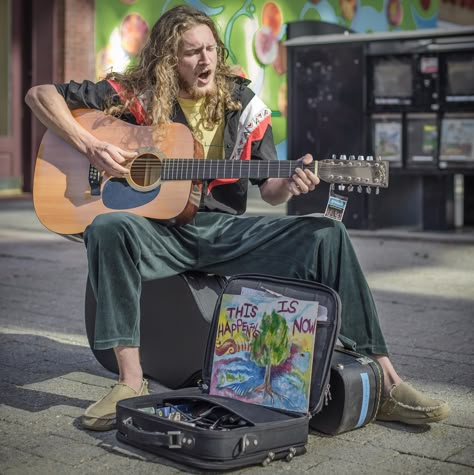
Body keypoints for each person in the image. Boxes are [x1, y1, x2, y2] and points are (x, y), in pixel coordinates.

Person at [25, 5, 449, 431]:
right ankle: (130, 381)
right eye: (192, 52)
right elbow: (39, 95)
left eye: (210, 48)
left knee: (327, 235)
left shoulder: (241, 103)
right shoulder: (135, 92)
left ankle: (388, 382)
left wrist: (291, 183)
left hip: (221, 229)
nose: (205, 60)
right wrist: (90, 146)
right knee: (107, 225)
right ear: (168, 57)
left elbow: (269, 188)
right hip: (154, 231)